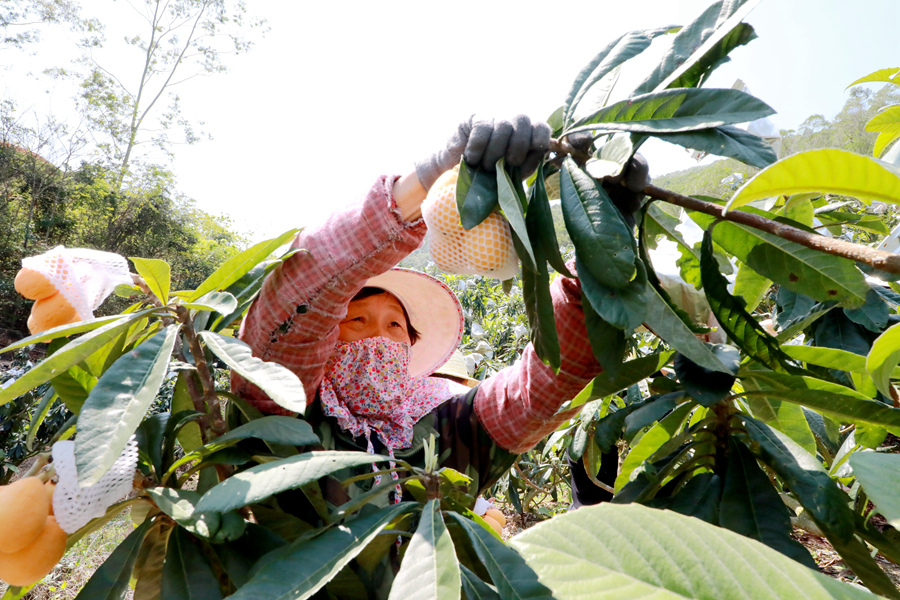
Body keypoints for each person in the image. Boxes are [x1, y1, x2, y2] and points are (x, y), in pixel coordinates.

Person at [231, 115, 649, 513]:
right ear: (324, 337)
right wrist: (432, 173)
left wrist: (603, 247)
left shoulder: (443, 428)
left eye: (395, 325)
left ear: (411, 347)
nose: (377, 336)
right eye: (356, 320)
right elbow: (305, 287)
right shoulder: (280, 411)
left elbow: (543, 390)